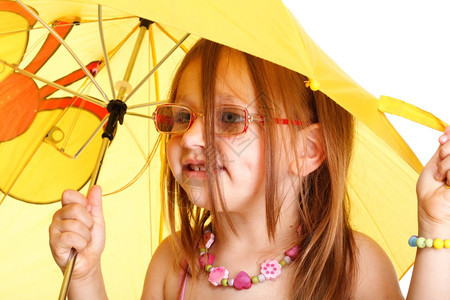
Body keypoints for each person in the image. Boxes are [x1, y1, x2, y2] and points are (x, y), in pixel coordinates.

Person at [49, 39, 450, 299]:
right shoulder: (174, 266)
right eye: (182, 116)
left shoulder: (351, 266)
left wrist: (435, 227)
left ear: (307, 149)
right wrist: (84, 278)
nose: (189, 138)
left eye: (227, 118)